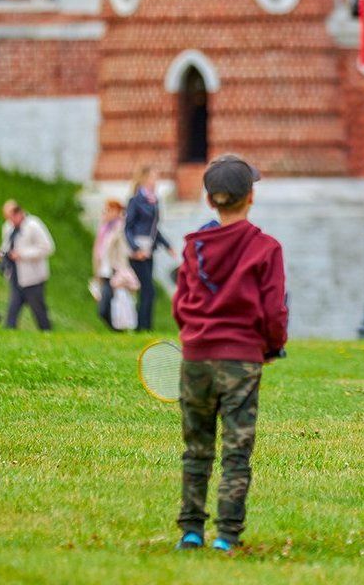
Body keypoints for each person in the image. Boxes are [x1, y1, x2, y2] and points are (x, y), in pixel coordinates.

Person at [173, 154, 288, 552]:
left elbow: (180, 303)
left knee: (197, 447)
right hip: (241, 359)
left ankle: (190, 532)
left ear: (209, 201)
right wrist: (272, 347)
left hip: (196, 356)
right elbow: (274, 309)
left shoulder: (193, 247)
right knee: (237, 449)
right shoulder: (266, 248)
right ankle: (226, 536)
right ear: (250, 197)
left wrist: (193, 335)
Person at [126, 166, 175, 332]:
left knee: (148, 291)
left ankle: (145, 326)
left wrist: (167, 245)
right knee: (148, 289)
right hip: (138, 251)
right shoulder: (135, 201)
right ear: (145, 179)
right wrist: (135, 248)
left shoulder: (153, 200)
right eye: (154, 177)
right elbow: (128, 228)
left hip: (149, 250)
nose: (156, 181)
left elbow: (154, 229)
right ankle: (142, 327)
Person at [0, 200, 55, 331]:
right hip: (15, 274)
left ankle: (47, 332)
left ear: (19, 213)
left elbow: (48, 247)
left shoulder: (33, 225)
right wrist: (2, 253)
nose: (10, 221)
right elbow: (6, 244)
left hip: (33, 277)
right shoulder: (8, 227)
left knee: (38, 309)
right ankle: (9, 330)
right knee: (12, 310)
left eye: (11, 217)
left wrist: (22, 254)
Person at [93, 199, 137, 331]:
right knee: (106, 307)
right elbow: (98, 252)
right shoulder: (103, 229)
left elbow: (124, 250)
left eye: (109, 210)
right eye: (105, 210)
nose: (106, 213)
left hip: (115, 272)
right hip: (103, 272)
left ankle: (118, 330)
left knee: (107, 307)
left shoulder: (121, 229)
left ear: (118, 212)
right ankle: (117, 330)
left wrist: (122, 272)